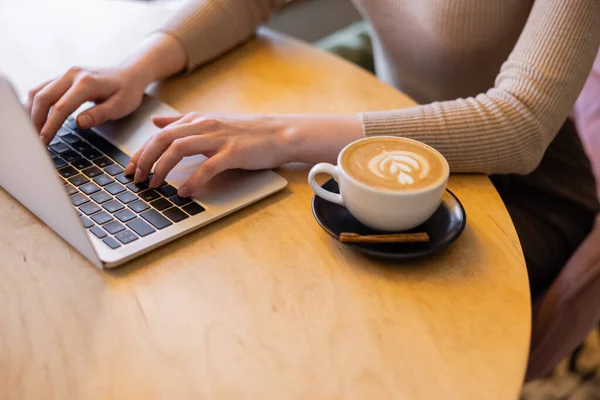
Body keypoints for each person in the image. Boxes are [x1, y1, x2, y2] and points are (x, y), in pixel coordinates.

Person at [28, 0, 600, 296]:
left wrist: (279, 136)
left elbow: (520, 126)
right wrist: (134, 67)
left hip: (522, 188)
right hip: (382, 132)